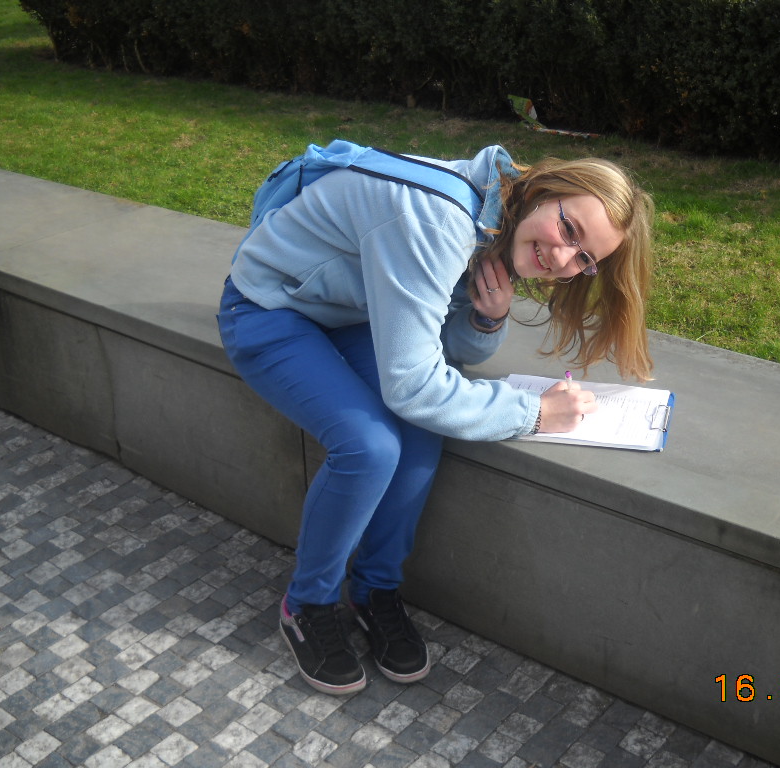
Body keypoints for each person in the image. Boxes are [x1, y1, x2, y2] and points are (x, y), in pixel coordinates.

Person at [217, 141, 654, 695]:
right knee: (370, 447)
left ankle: (374, 590)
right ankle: (306, 604)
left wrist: (488, 318)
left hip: (347, 313)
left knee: (422, 436)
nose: (563, 259)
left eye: (585, 259)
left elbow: (444, 348)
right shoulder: (438, 219)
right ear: (545, 193)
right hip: (269, 307)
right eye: (569, 230)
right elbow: (414, 386)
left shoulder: (499, 221)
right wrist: (534, 414)